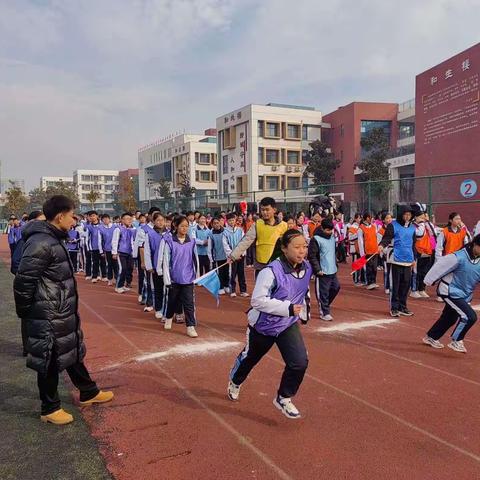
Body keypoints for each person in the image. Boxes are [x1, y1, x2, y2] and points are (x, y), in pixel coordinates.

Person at [13, 195, 113, 425]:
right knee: (49, 358)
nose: (74, 219)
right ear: (60, 216)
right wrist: (28, 312)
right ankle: (49, 407)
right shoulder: (41, 242)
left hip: (60, 310)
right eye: (71, 215)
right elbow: (24, 281)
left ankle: (88, 391)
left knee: (71, 350)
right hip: (47, 313)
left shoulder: (54, 238)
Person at [227, 229, 311, 419]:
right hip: (263, 326)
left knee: (299, 362)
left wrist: (303, 312)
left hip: (287, 324)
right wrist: (287, 308)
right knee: (250, 359)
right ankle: (235, 381)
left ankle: (284, 397)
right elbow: (257, 301)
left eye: (304, 247)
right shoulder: (270, 271)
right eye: (297, 247)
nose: (302, 251)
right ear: (284, 248)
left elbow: (302, 292)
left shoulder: (306, 267)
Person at [422, 234, 480, 353]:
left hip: (464, 293)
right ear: (475, 244)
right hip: (449, 291)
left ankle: (431, 337)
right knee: (469, 316)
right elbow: (440, 266)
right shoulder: (458, 257)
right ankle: (456, 340)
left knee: (449, 318)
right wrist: (429, 281)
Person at [229, 197, 288, 277]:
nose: (264, 212)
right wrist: (233, 255)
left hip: (278, 264)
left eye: (267, 209)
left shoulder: (284, 225)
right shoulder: (257, 224)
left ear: (274, 210)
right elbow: (246, 240)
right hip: (261, 264)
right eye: (262, 210)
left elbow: (289, 244)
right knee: (260, 289)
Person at [162, 215, 199, 338]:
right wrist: (167, 279)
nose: (184, 228)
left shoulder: (192, 242)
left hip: (188, 278)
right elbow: (166, 262)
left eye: (186, 226)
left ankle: (190, 326)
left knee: (188, 303)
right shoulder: (170, 241)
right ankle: (168, 317)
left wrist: (197, 277)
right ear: (175, 226)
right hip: (174, 278)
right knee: (172, 301)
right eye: (182, 226)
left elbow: (196, 260)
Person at [378, 205, 416, 317]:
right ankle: (394, 308)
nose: (408, 216)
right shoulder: (392, 226)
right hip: (395, 259)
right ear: (401, 214)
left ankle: (403, 307)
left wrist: (414, 259)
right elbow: (386, 238)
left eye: (409, 214)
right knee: (395, 285)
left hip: (408, 259)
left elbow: (413, 244)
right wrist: (381, 245)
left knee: (406, 285)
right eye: (406, 214)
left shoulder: (412, 228)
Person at [308, 218, 340, 321]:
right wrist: (317, 269)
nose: (330, 232)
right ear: (322, 228)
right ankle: (324, 312)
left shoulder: (332, 237)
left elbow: (333, 251)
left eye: (331, 230)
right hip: (322, 271)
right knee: (323, 292)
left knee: (336, 287)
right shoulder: (316, 239)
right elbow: (312, 256)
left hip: (332, 269)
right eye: (327, 230)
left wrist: (335, 263)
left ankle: (324, 304)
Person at [145, 212, 167, 318]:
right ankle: (158, 308)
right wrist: (149, 266)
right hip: (155, 266)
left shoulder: (170, 234)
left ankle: (167, 309)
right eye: (158, 220)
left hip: (167, 267)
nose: (160, 222)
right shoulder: (150, 234)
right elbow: (147, 251)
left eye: (162, 220)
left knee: (167, 289)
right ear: (153, 221)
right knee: (158, 288)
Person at [410, 205, 435, 299]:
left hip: (427, 251)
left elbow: (433, 232)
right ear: (416, 217)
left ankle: (422, 289)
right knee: (416, 272)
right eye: (420, 217)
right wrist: (421, 224)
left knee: (424, 272)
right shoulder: (413, 226)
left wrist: (427, 222)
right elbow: (419, 234)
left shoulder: (426, 225)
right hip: (417, 251)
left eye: (423, 217)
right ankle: (414, 289)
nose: (422, 219)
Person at [223, 212, 248, 298]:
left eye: (233, 220)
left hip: (241, 256)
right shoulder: (225, 232)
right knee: (232, 274)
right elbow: (225, 245)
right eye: (230, 220)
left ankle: (243, 290)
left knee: (241, 273)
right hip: (232, 258)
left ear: (235, 220)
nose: (231, 222)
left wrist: (242, 253)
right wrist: (232, 255)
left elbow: (244, 241)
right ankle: (232, 290)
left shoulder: (240, 230)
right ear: (227, 221)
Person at [112, 213, 135, 294]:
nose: (129, 220)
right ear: (122, 220)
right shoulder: (118, 229)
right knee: (122, 269)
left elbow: (133, 241)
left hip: (129, 252)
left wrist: (133, 252)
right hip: (120, 252)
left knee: (129, 269)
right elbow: (115, 241)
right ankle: (118, 286)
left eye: (130, 219)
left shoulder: (132, 229)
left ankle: (123, 285)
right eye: (127, 219)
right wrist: (114, 252)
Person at [358, 212, 379, 290]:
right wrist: (362, 253)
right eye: (371, 217)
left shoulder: (374, 227)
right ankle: (369, 282)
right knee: (369, 267)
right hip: (367, 251)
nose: (372, 219)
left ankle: (373, 281)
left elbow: (377, 238)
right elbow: (360, 241)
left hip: (375, 250)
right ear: (367, 218)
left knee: (374, 267)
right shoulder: (361, 228)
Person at [209, 217, 229, 294]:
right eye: (215, 223)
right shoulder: (211, 234)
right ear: (212, 224)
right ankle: (220, 287)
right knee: (220, 273)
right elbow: (210, 247)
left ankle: (226, 285)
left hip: (227, 256)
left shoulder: (225, 231)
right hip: (218, 257)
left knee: (227, 272)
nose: (217, 224)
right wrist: (212, 259)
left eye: (218, 222)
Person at [84, 211, 104, 283]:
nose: (92, 217)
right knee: (95, 262)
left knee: (103, 262)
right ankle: (94, 276)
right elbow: (87, 238)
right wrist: (89, 248)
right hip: (94, 247)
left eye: (93, 216)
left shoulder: (102, 225)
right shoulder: (89, 227)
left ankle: (103, 276)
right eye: (90, 216)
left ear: (97, 216)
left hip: (102, 248)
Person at [99, 214, 118, 286]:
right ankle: (110, 279)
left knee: (116, 265)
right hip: (107, 249)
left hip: (115, 250)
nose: (105, 220)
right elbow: (99, 240)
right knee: (109, 265)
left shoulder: (115, 227)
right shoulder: (100, 228)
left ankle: (117, 279)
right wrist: (101, 251)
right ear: (102, 220)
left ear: (109, 219)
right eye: (103, 219)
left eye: (107, 218)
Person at [348, 213, 365, 286]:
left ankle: (361, 279)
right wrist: (358, 234)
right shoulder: (353, 227)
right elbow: (350, 237)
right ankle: (356, 280)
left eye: (361, 218)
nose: (360, 219)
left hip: (361, 248)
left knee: (361, 264)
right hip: (355, 248)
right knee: (356, 264)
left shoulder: (361, 226)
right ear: (355, 219)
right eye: (359, 218)